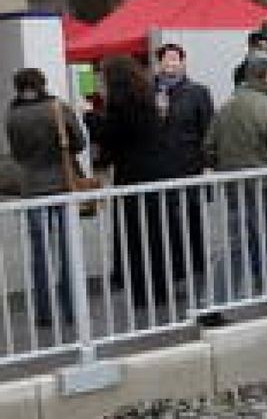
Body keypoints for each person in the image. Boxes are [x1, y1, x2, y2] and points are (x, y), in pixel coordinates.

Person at [202, 54, 267, 325]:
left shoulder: (226, 107)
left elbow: (209, 149)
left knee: (235, 247)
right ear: (265, 76)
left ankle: (213, 305)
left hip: (235, 189)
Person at [6, 68, 85, 326]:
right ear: (42, 84)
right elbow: (80, 143)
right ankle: (71, 311)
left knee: (39, 252)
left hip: (31, 187)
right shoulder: (57, 108)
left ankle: (44, 314)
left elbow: (17, 154)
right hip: (62, 185)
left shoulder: (12, 115)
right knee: (67, 250)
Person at [95, 56, 171, 307]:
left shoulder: (119, 105)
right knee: (157, 234)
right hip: (156, 172)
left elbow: (110, 142)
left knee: (135, 237)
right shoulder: (146, 100)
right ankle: (160, 288)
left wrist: (94, 122)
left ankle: (142, 292)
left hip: (133, 175)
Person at [153, 44, 215, 296]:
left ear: (183, 61)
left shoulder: (197, 92)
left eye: (174, 59)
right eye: (165, 59)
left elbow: (208, 129)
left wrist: (207, 162)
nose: (170, 64)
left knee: (192, 221)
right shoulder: (150, 92)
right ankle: (173, 273)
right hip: (159, 168)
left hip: (189, 166)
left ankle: (198, 271)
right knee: (166, 225)